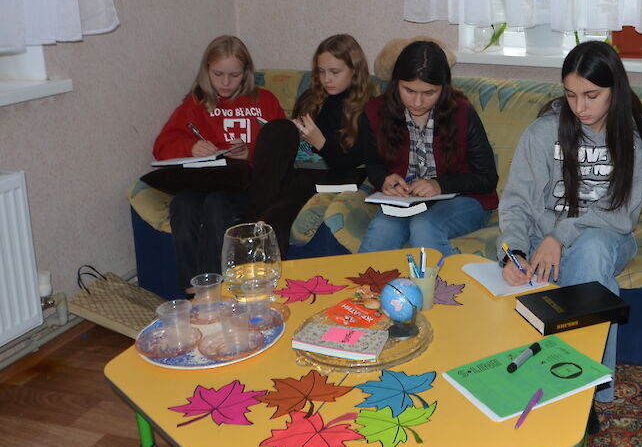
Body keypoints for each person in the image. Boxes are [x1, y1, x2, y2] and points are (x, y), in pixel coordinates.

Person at [498, 40, 642, 403]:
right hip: (542, 239)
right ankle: (587, 387)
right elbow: (517, 201)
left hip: (608, 237)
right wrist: (513, 252)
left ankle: (578, 393)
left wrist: (560, 235)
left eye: (591, 95)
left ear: (615, 91)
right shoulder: (542, 133)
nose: (580, 107)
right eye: (570, 95)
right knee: (595, 277)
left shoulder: (631, 140)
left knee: (592, 249)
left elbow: (621, 214)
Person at [153, 35, 285, 289]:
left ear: (246, 72)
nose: (225, 82)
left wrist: (250, 153)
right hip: (204, 180)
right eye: (218, 74)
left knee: (216, 204)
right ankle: (193, 288)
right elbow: (161, 147)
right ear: (206, 71)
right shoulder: (196, 103)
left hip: (244, 183)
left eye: (234, 75)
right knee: (182, 205)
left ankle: (216, 286)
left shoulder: (265, 101)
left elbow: (283, 149)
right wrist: (190, 147)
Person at [357, 40, 498, 256]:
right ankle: (367, 281)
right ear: (396, 83)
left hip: (463, 199)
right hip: (404, 201)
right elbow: (373, 164)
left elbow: (487, 177)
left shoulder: (461, 112)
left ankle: (441, 279)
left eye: (429, 93)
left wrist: (440, 185)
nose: (418, 102)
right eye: (409, 90)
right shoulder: (374, 112)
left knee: (424, 225)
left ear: (444, 88)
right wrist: (384, 180)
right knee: (382, 229)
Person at [244, 34, 374, 255]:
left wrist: (321, 143)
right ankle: (256, 213)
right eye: (321, 72)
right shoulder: (311, 98)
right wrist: (297, 136)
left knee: (277, 215)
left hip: (326, 176)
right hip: (295, 167)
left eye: (334, 72)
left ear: (355, 70)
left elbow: (353, 162)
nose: (326, 79)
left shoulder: (367, 108)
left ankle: (259, 239)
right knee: (278, 129)